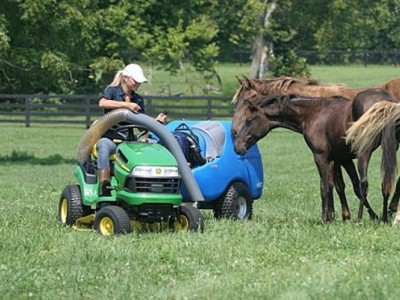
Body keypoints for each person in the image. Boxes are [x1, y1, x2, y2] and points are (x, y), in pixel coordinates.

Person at [96, 63, 167, 196]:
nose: (137, 84)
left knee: (155, 146)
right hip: (112, 138)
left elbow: (142, 123)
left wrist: (156, 122)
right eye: (135, 81)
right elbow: (102, 103)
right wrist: (127, 105)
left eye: (139, 82)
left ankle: (152, 183)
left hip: (129, 141)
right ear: (125, 78)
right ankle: (104, 183)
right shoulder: (112, 91)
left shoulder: (139, 99)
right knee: (103, 145)